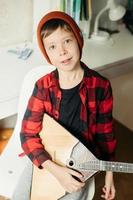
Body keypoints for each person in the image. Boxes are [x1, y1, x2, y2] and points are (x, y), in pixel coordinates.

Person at [20, 11, 117, 200]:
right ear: (47, 54)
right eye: (53, 46)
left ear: (78, 40)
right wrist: (53, 169)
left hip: (79, 161)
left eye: (67, 41)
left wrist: (109, 175)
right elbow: (27, 134)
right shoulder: (42, 86)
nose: (62, 51)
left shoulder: (101, 86)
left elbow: (106, 136)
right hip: (47, 154)